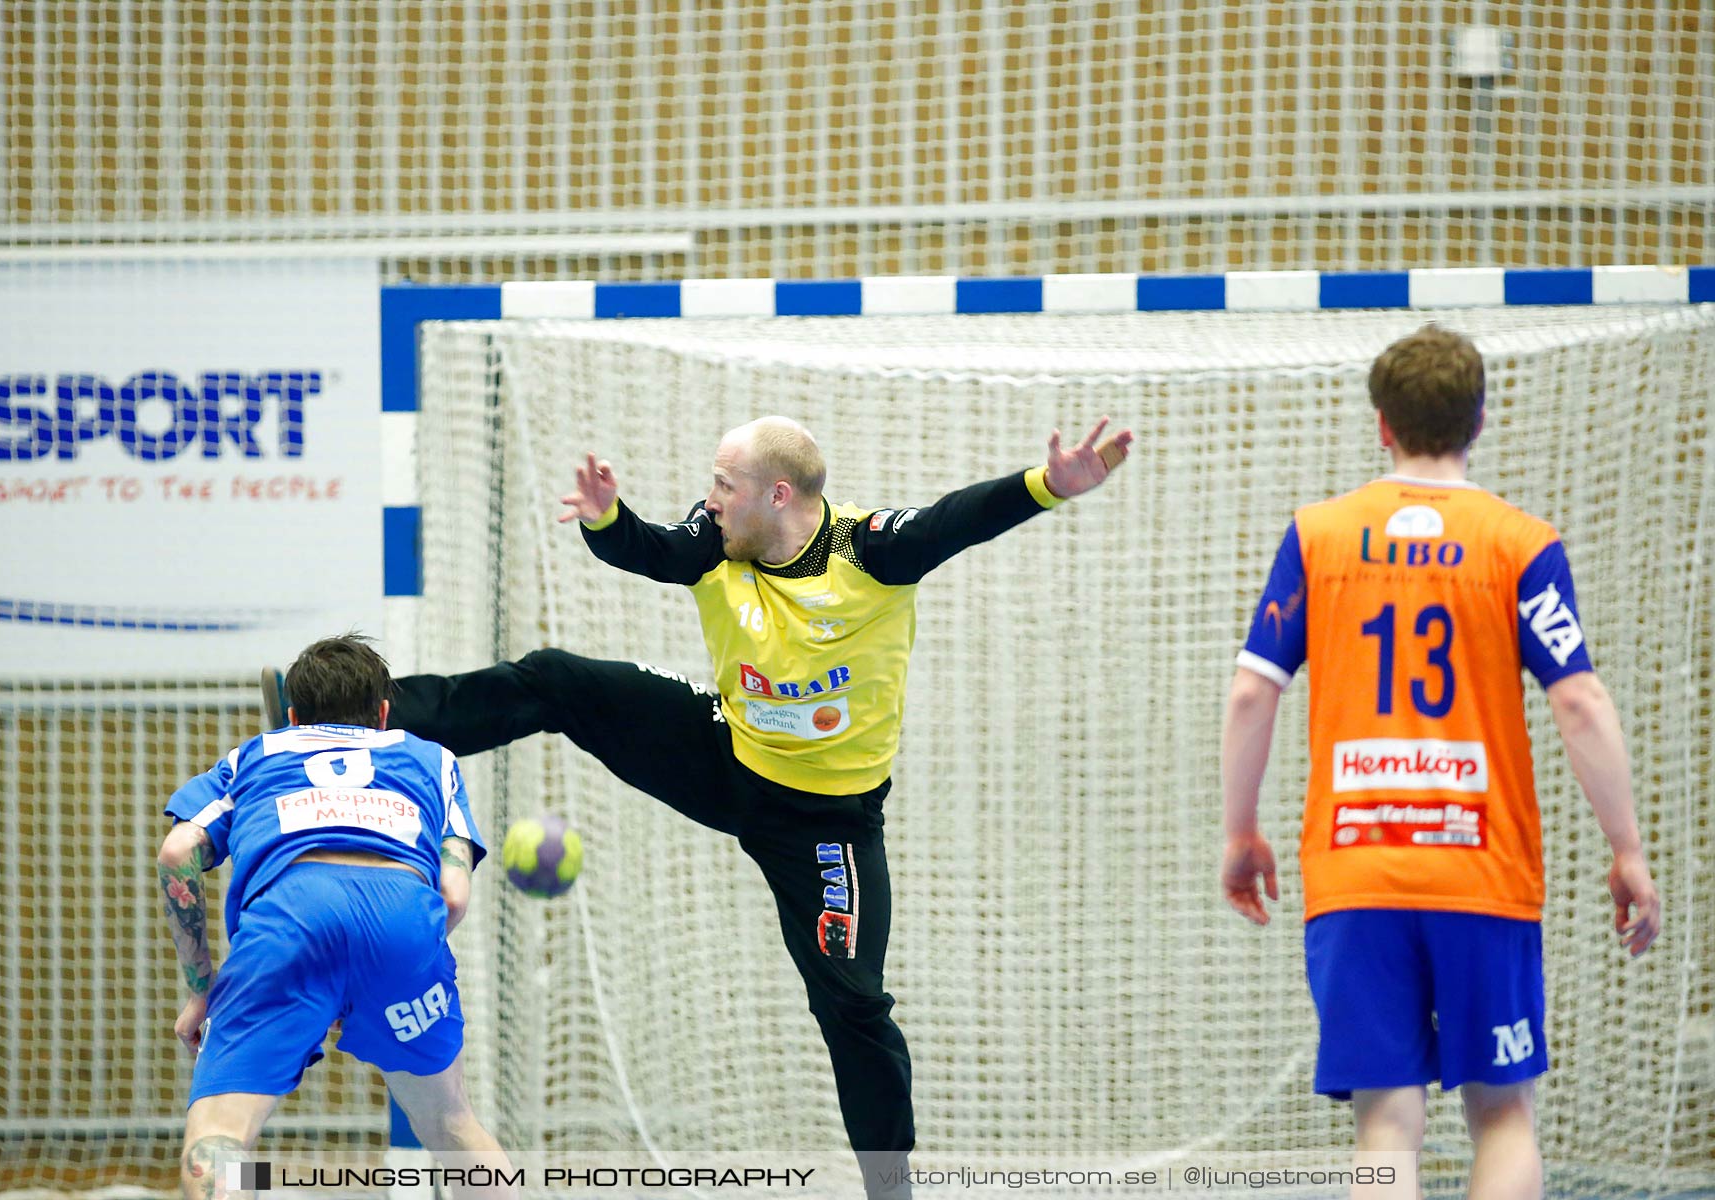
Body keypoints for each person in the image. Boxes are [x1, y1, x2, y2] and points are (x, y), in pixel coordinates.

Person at [300, 415, 1131, 1199]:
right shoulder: (714, 539)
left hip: (824, 824)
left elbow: (960, 518)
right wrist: (607, 519)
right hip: (723, 752)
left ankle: (891, 1188)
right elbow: (653, 551)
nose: (710, 498)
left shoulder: (872, 551)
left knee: (852, 1003)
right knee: (556, 679)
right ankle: (361, 718)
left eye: (726, 483)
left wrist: (1045, 484)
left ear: (779, 494)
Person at [1219, 325, 1661, 1200]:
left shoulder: (1319, 536)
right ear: (1481, 420)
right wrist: (1629, 850)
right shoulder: (1519, 543)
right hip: (1480, 869)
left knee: (1385, 1124)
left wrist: (1239, 831)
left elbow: (1250, 693)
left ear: (1381, 425)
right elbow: (1578, 700)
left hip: (1357, 867)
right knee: (1502, 1113)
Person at [164, 635, 513, 1200]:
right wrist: (384, 964)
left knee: (220, 1138)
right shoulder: (432, 759)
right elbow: (452, 894)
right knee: (451, 1126)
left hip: (290, 920)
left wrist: (203, 987)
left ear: (293, 716)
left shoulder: (255, 756)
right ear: (382, 714)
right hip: (402, 919)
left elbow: (177, 855)